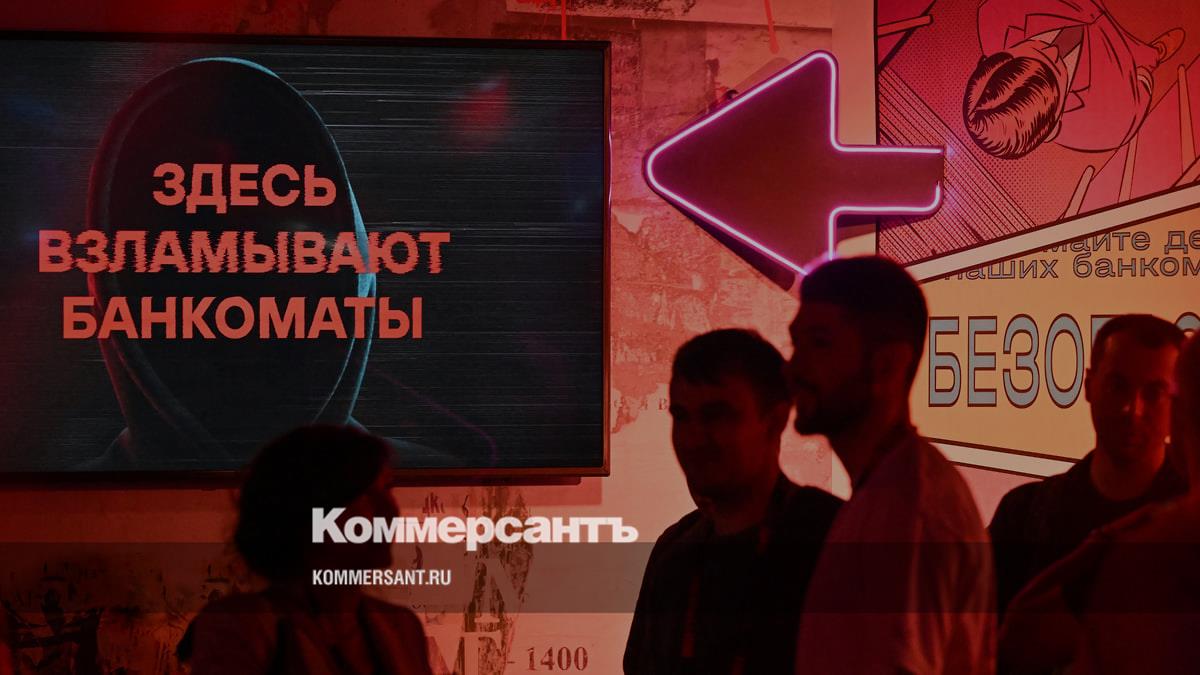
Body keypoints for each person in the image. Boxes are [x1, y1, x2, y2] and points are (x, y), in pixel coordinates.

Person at [78, 57, 473, 471]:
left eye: (270, 191)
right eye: (197, 212)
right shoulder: (422, 482)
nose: (237, 239)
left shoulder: (433, 484)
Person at [789, 256, 995, 675]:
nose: (793, 368)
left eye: (820, 344)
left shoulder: (909, 514)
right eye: (797, 345)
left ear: (887, 365)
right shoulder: (887, 494)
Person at [624, 329, 841, 674]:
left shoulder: (834, 541)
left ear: (775, 421)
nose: (693, 439)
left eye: (717, 415)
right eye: (682, 416)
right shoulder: (674, 551)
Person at [999, 332, 1200, 674]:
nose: (1132, 409)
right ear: (1089, 385)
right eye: (1118, 386)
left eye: (1154, 393)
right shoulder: (1023, 513)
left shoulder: (1156, 537)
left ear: (1177, 409)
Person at [183, 425, 433, 674]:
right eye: (366, 494)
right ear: (306, 513)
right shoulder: (240, 628)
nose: (391, 511)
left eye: (387, 488)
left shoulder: (402, 628)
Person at [964, 0, 1184, 158]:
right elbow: (1141, 86)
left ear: (989, 60)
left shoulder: (996, 11)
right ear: (1053, 128)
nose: (1053, 51)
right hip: (1131, 47)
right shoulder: (1110, 126)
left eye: (1033, 49)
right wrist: (1147, 60)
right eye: (1056, 69)